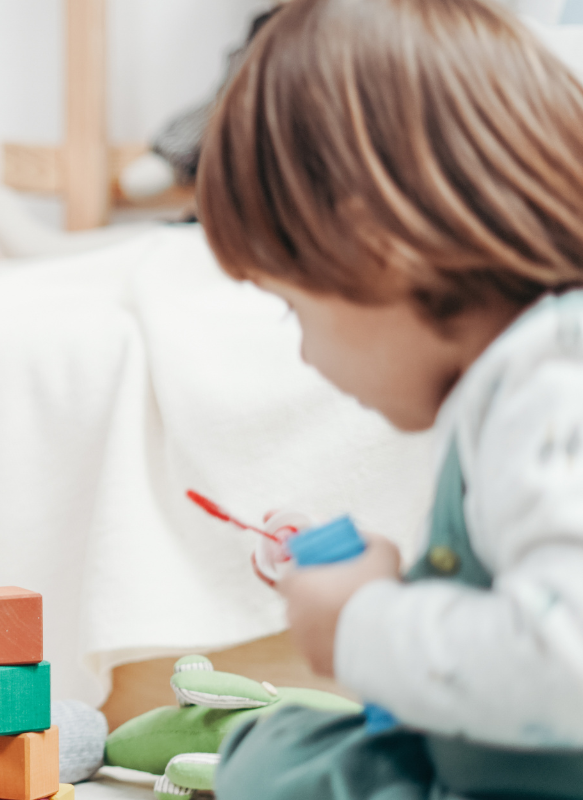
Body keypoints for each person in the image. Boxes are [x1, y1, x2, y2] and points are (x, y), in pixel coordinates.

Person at [195, 0, 583, 797]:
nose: (304, 352)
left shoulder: (551, 382)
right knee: (276, 752)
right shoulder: (523, 377)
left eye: (293, 308)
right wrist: (385, 588)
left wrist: (362, 623)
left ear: (378, 247)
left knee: (277, 770)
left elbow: (566, 659)